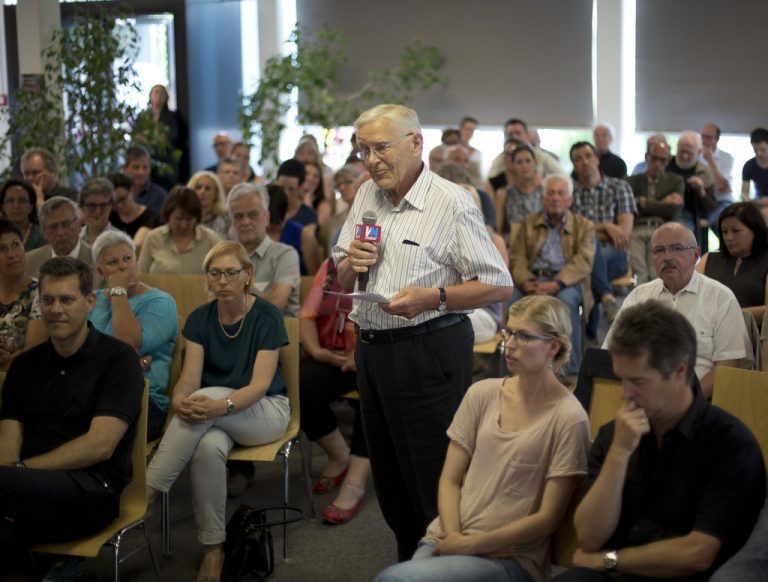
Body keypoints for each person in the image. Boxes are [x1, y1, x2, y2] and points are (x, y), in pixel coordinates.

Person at [332, 104, 513, 560]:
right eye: (362, 150)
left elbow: (498, 283)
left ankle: (445, 566)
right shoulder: (366, 196)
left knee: (431, 478)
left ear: (416, 144)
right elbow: (339, 279)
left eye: (380, 148)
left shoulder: (452, 202)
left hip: (428, 348)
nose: (370, 160)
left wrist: (432, 297)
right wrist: (350, 264)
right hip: (373, 352)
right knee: (390, 479)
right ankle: (407, 564)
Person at [377, 295, 590, 582]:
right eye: (509, 331)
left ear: (554, 346)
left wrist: (469, 545)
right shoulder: (483, 393)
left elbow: (547, 518)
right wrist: (454, 537)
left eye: (524, 336)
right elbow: (450, 479)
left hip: (511, 558)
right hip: (448, 536)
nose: (510, 344)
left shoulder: (568, 417)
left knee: (395, 579)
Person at [554, 300, 765, 582]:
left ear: (679, 371)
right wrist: (618, 454)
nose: (625, 393)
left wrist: (609, 560)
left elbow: (697, 554)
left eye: (638, 382)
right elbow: (590, 537)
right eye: (622, 379)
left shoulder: (730, 444)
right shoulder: (615, 433)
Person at [145, 241, 291, 582]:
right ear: (207, 279)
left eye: (231, 272)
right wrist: (181, 400)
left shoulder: (267, 316)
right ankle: (214, 548)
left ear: (247, 275)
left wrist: (217, 404)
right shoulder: (200, 318)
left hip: (265, 410)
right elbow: (187, 381)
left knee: (207, 395)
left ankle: (149, 491)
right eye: (215, 273)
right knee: (208, 448)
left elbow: (258, 386)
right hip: (214, 415)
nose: (223, 280)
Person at [0, 257, 143, 577]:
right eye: (47, 300)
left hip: (92, 490)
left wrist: (22, 471)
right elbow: (7, 444)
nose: (55, 309)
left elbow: (100, 446)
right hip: (23, 491)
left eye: (67, 300)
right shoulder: (24, 367)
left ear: (90, 302)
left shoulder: (118, 360)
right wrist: (16, 473)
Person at [603, 222, 749, 398]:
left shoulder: (720, 298)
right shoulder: (639, 297)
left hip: (700, 404)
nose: (667, 257)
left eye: (677, 248)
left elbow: (727, 367)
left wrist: (686, 403)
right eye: (659, 250)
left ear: (696, 254)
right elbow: (610, 352)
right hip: (641, 401)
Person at [299, 258, 371, 524]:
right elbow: (307, 314)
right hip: (331, 354)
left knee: (372, 394)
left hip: (371, 355)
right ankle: (339, 455)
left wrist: (360, 354)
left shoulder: (390, 264)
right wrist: (317, 351)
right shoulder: (330, 266)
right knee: (302, 386)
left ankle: (355, 482)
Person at [90, 230, 178, 442]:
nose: (123, 266)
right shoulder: (94, 300)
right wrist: (131, 363)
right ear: (101, 272)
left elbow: (127, 344)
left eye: (128, 258)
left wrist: (119, 293)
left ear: (136, 261)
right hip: (95, 394)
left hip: (144, 402)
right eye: (113, 262)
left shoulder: (161, 302)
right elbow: (84, 351)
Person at [510, 174, 596, 377]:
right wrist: (525, 281)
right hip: (532, 279)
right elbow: (517, 258)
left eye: (561, 193)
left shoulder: (584, 226)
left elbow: (583, 261)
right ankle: (516, 365)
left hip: (566, 282)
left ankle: (569, 371)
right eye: (550, 192)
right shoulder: (528, 223)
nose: (555, 198)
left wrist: (558, 283)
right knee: (511, 299)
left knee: (566, 302)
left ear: (569, 200)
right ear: (543, 198)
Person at [228, 183, 300, 317]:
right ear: (231, 221)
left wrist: (232, 298)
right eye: (238, 216)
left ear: (267, 218)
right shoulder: (224, 258)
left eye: (253, 214)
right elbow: (214, 305)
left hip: (275, 335)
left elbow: (275, 304)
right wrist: (262, 296)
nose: (245, 222)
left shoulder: (285, 255)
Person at [696, 201, 768, 325]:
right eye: (724, 232)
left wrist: (728, 315)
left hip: (752, 338)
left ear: (754, 231)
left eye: (735, 231)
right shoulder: (708, 259)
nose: (728, 237)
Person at [625, 141, 685, 283]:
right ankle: (642, 306)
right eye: (654, 158)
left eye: (662, 159)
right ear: (647, 157)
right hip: (636, 229)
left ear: (668, 160)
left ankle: (657, 305)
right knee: (640, 274)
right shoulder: (631, 181)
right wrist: (663, 202)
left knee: (657, 274)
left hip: (662, 229)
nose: (658, 163)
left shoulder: (675, 181)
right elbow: (630, 208)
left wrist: (644, 202)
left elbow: (673, 211)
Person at [138, 186, 222, 275]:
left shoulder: (211, 240)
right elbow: (141, 276)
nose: (183, 225)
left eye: (189, 219)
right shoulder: (153, 238)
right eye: (178, 219)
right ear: (168, 214)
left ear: (197, 217)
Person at [0, 219, 47, 371]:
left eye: (16, 245)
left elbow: (33, 351)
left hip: (24, 379)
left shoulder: (41, 292)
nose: (11, 254)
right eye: (2, 248)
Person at [25, 196, 96, 280]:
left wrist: (115, 292)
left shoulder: (98, 260)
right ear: (44, 232)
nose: (60, 232)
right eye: (53, 227)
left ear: (79, 225)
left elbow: (115, 291)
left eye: (66, 224)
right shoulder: (29, 262)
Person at [666, 132, 716, 242]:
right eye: (681, 152)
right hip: (663, 211)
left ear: (699, 153)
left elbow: (710, 207)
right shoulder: (666, 165)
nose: (684, 156)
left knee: (677, 233)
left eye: (689, 153)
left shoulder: (704, 171)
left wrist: (701, 191)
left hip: (688, 215)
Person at [139, 83, 187, 189]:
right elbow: (139, 137)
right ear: (150, 96)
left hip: (167, 161)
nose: (159, 96)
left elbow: (171, 136)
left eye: (162, 93)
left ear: (166, 98)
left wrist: (150, 137)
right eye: (156, 92)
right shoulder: (144, 116)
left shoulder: (172, 116)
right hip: (148, 159)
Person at [495, 145, 543, 240]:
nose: (524, 166)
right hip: (512, 246)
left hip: (540, 244)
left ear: (535, 163)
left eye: (528, 161)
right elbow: (498, 230)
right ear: (513, 166)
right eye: (519, 162)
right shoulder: (503, 194)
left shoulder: (545, 192)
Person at [107, 171, 161, 250]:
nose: (119, 205)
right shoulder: (109, 216)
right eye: (114, 202)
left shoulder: (152, 218)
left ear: (132, 190)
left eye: (122, 199)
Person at [699, 123, 734, 231]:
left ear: (716, 139)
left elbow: (722, 186)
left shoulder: (727, 158)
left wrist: (710, 160)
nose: (704, 140)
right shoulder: (693, 155)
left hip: (721, 201)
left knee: (721, 222)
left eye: (708, 137)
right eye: (702, 136)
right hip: (700, 201)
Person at [122, 144, 169, 217]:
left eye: (145, 167)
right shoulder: (117, 194)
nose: (141, 172)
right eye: (136, 167)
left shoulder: (160, 196)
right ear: (125, 168)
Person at [0, 178, 45, 251]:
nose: (16, 206)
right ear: (3, 206)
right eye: (10, 200)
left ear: (31, 207)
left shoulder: (43, 236)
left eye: (22, 201)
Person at [188, 170, 231, 238]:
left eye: (207, 188)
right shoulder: (185, 218)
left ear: (216, 194)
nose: (202, 192)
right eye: (198, 187)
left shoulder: (226, 219)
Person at [276, 159, 318, 226]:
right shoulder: (268, 208)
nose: (285, 193)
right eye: (282, 188)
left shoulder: (309, 215)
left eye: (291, 189)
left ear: (301, 187)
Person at [79, 177, 119, 246]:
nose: (98, 211)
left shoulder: (120, 240)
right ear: (82, 208)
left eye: (103, 205)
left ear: (111, 206)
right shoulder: (74, 238)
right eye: (92, 206)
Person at [741, 127, 768, 204]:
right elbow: (744, 193)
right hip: (759, 202)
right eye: (755, 150)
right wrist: (747, 201)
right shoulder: (749, 165)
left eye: (763, 149)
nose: (759, 153)